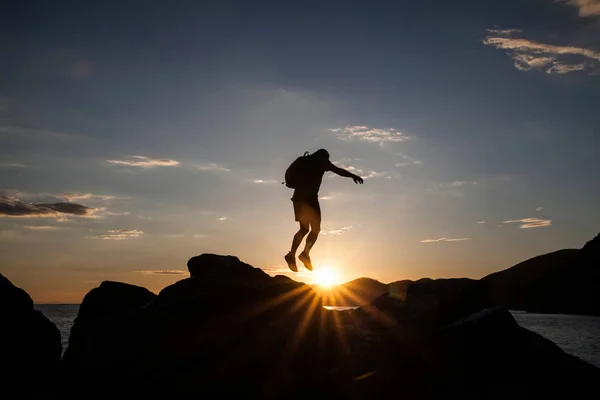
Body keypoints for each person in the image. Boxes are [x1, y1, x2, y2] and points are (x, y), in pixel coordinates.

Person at [284, 149, 364, 272]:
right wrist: (353, 175)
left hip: (298, 198)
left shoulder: (304, 160)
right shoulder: (321, 162)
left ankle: (292, 254)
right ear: (323, 157)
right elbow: (338, 171)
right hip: (310, 199)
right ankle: (304, 254)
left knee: (304, 229)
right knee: (315, 229)